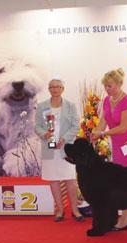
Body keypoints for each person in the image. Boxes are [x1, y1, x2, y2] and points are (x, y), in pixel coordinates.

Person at [91, 68, 127, 231]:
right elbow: (103, 122)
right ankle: (123, 218)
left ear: (119, 84)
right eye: (105, 86)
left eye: (110, 85)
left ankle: (126, 219)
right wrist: (95, 134)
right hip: (117, 145)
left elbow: (124, 127)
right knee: (120, 180)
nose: (107, 89)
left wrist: (103, 133)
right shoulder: (107, 100)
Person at [35, 79, 84, 222]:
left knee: (71, 179)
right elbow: (37, 126)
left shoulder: (70, 106)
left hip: (66, 148)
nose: (55, 89)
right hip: (49, 148)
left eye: (58, 86)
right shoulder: (42, 106)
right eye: (52, 87)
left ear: (63, 89)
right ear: (49, 89)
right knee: (53, 180)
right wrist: (45, 134)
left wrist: (64, 138)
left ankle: (75, 210)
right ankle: (60, 210)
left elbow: (76, 126)